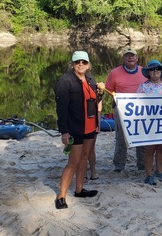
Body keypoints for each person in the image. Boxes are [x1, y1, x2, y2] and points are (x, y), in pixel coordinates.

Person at [54, 51, 103, 209]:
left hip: (90, 127)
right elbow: (61, 109)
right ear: (72, 64)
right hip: (75, 127)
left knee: (84, 157)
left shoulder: (90, 79)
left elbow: (94, 101)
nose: (80, 64)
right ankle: (61, 196)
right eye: (77, 62)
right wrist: (64, 131)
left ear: (88, 64)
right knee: (73, 161)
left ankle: (79, 189)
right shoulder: (65, 81)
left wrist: (100, 93)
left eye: (84, 62)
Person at [105, 47, 147, 172]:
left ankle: (142, 164)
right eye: (127, 56)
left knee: (141, 138)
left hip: (140, 110)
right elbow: (109, 89)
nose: (130, 58)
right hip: (122, 109)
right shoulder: (114, 72)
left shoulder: (144, 71)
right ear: (123, 58)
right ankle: (119, 165)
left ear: (137, 58)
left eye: (133, 55)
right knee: (121, 139)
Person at [138, 60, 162, 185]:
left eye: (158, 69)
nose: (155, 71)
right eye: (152, 69)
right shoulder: (143, 87)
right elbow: (137, 105)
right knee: (150, 149)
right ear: (148, 72)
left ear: (161, 71)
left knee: (161, 148)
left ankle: (159, 171)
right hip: (149, 123)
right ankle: (148, 174)